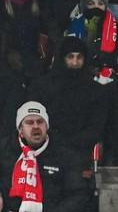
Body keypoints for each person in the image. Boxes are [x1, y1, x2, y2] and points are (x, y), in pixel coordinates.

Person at [0, 101, 88, 212]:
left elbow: (78, 194)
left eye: (40, 122)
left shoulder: (64, 154)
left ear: (46, 127)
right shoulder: (4, 150)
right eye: (29, 122)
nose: (35, 127)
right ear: (20, 129)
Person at [27, 36, 109, 164]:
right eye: (70, 57)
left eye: (79, 57)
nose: (75, 62)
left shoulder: (96, 91)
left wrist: (72, 143)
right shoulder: (42, 87)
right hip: (45, 149)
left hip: (80, 152)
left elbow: (96, 127)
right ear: (62, 58)